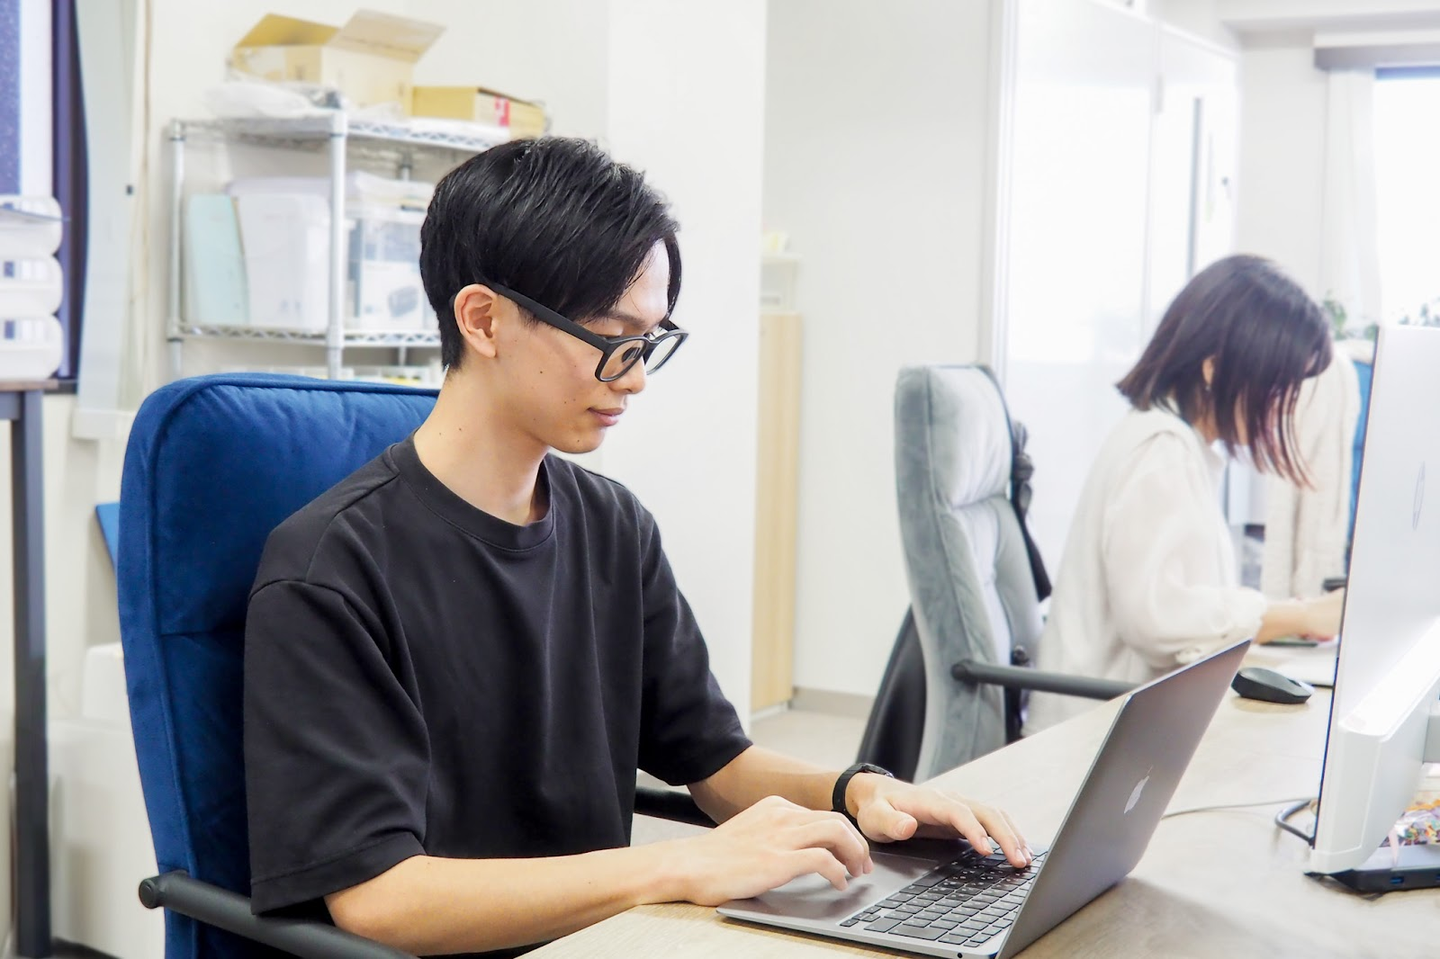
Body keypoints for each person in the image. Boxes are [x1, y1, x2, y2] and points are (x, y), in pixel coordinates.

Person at [242, 137, 1031, 959]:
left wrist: (860, 793)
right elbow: (380, 899)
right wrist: (675, 865)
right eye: (612, 339)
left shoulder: (615, 525)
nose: (636, 377)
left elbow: (716, 762)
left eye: (649, 340)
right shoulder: (328, 570)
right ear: (482, 319)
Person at [1025, 255, 1345, 733]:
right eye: (1276, 387)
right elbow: (1158, 621)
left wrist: (1290, 617)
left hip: (1131, 725)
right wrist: (1301, 615)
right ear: (1214, 368)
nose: (1281, 407)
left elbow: (1182, 604)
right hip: (1093, 740)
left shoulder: (1178, 447)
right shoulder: (1160, 452)